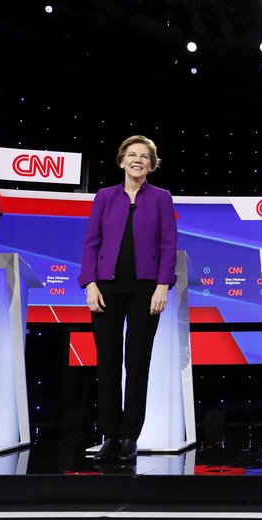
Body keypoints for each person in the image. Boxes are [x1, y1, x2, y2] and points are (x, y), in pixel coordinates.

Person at [78, 135, 177, 464]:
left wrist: (163, 285)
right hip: (106, 288)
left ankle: (130, 436)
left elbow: (167, 245)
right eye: (132, 155)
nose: (138, 160)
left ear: (151, 164)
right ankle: (109, 435)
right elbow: (92, 242)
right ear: (121, 161)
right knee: (106, 362)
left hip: (145, 290)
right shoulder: (105, 197)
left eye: (144, 156)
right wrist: (89, 283)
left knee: (137, 363)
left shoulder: (161, 198)